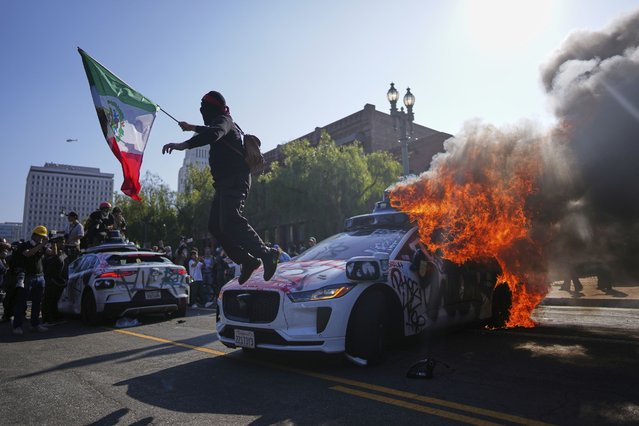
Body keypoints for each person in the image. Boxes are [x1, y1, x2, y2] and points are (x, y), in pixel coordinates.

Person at [161, 90, 279, 285]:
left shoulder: (225, 120)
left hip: (235, 180)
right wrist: (192, 127)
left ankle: (267, 254)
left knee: (231, 219)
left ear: (213, 109)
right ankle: (247, 261)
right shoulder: (221, 121)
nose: (201, 111)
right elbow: (211, 129)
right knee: (215, 226)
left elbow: (215, 132)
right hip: (225, 184)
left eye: (204, 108)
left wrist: (184, 145)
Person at [11, 226, 49, 335]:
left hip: (40, 276)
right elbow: (28, 253)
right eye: (41, 236)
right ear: (35, 235)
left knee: (37, 303)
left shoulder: (42, 246)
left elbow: (51, 253)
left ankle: (35, 324)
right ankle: (17, 326)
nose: (42, 239)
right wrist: (42, 244)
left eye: (43, 237)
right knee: (22, 302)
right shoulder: (25, 245)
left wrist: (54, 243)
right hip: (27, 276)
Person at [42, 235, 65, 325]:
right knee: (48, 300)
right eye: (61, 242)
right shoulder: (49, 252)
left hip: (58, 281)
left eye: (64, 242)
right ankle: (46, 320)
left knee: (54, 300)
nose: (63, 244)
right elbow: (50, 261)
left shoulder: (62, 252)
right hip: (50, 280)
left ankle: (55, 318)